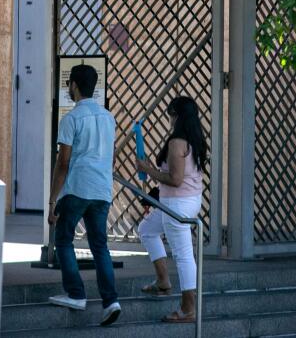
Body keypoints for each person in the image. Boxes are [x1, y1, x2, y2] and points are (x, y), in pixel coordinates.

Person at [47, 63, 122, 326]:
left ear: (74, 86)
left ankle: (76, 293)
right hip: (102, 190)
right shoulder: (108, 118)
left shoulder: (71, 119)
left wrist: (53, 198)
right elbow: (111, 156)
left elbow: (63, 162)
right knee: (100, 245)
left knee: (64, 239)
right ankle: (111, 301)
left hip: (78, 188)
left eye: (70, 84)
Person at [135, 96, 207, 324]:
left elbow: (175, 179)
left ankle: (188, 309)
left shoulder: (177, 142)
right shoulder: (195, 137)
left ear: (175, 115)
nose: (169, 119)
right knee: (146, 229)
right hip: (188, 200)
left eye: (170, 115)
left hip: (177, 203)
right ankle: (162, 281)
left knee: (184, 255)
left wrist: (148, 169)